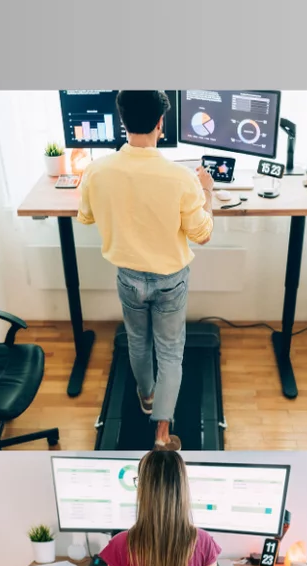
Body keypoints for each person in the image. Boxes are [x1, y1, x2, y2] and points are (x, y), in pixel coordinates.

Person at [77, 90, 216, 451]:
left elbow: (86, 216)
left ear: (122, 121)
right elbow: (202, 234)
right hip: (170, 280)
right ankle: (162, 433)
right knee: (170, 351)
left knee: (137, 341)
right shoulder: (181, 178)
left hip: (128, 276)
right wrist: (207, 192)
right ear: (160, 123)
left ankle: (147, 397)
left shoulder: (97, 170)